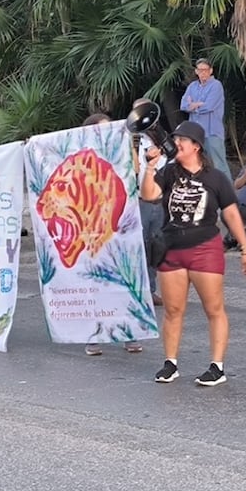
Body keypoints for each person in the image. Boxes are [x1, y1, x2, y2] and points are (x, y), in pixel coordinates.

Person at [140, 120, 246, 387]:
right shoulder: (168, 172)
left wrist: (245, 248)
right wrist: (150, 166)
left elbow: (231, 213)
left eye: (182, 140)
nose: (176, 144)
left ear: (196, 146)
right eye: (175, 139)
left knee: (213, 308)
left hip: (205, 248)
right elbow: (149, 196)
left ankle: (217, 365)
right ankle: (170, 363)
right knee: (173, 309)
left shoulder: (215, 178)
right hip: (172, 249)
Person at [79, 112, 148, 356]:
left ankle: (129, 332)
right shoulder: (83, 157)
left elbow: (136, 169)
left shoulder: (120, 153)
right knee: (95, 282)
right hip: (93, 230)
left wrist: (128, 146)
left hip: (121, 225)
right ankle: (94, 334)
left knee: (124, 280)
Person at [130, 99, 168, 308]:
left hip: (160, 200)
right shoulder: (132, 138)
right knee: (140, 246)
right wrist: (135, 146)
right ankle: (140, 291)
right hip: (141, 200)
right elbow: (134, 169)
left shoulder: (160, 137)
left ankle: (151, 290)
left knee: (156, 247)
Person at [180, 57, 231, 180]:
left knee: (218, 165)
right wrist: (198, 104)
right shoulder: (192, 86)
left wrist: (194, 105)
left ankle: (228, 195)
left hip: (212, 132)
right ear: (196, 71)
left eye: (205, 70)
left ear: (211, 70)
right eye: (200, 70)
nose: (203, 73)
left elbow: (209, 106)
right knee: (198, 165)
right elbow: (183, 105)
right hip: (195, 134)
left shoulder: (216, 85)